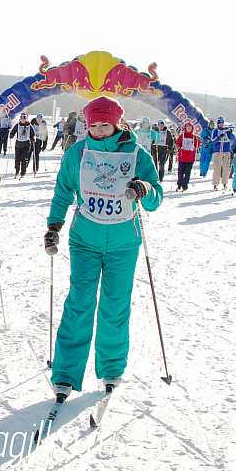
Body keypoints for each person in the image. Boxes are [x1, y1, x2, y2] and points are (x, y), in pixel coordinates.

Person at [43, 96, 163, 399]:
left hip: (124, 243)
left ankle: (111, 368)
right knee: (79, 302)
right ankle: (67, 373)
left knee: (115, 305)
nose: (97, 130)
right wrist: (54, 226)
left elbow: (156, 197)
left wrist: (145, 190)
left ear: (117, 123)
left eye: (104, 124)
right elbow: (63, 190)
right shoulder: (78, 152)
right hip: (85, 239)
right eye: (92, 124)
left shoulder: (137, 154)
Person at [175, 121, 201, 191]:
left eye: (190, 128)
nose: (189, 129)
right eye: (188, 128)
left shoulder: (194, 137)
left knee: (187, 172)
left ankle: (185, 185)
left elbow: (197, 146)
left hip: (190, 158)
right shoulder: (182, 136)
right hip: (182, 157)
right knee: (180, 172)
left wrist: (199, 140)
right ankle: (179, 184)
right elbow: (178, 143)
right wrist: (177, 146)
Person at [9, 113, 36, 178]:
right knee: (17, 158)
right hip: (18, 144)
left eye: (24, 119)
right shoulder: (17, 125)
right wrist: (11, 135)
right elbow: (13, 131)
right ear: (20, 119)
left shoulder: (29, 126)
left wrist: (32, 138)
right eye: (22, 118)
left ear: (26, 119)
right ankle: (17, 171)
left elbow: (32, 134)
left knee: (24, 159)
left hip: (26, 144)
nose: (23, 120)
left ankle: (23, 172)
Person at [210, 117, 234, 190]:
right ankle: (216, 183)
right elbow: (213, 141)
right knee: (217, 168)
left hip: (226, 151)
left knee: (226, 168)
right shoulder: (215, 131)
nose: (221, 125)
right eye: (219, 123)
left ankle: (225, 182)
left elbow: (232, 139)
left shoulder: (226, 130)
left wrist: (230, 133)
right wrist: (218, 138)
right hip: (218, 151)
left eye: (222, 123)